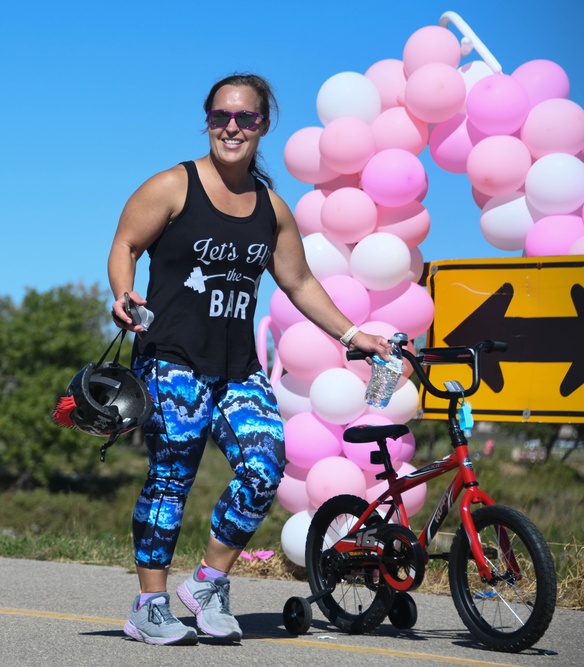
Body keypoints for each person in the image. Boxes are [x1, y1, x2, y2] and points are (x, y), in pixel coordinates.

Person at [107, 73, 390, 645]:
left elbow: (300, 282)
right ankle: (149, 605)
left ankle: (209, 582)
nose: (232, 127)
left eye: (246, 118)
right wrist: (122, 291)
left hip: (237, 367)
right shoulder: (173, 186)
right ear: (207, 120)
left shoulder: (271, 208)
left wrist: (352, 333)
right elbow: (126, 245)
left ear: (264, 125)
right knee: (171, 479)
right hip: (171, 361)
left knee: (264, 467)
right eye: (221, 117)